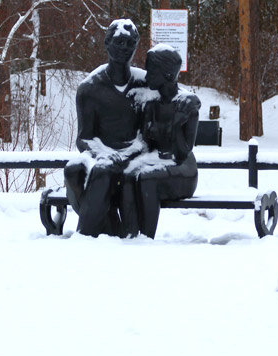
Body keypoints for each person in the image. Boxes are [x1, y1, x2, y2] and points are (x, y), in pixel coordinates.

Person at [63, 19, 146, 236]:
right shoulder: (89, 88)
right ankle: (110, 226)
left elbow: (147, 135)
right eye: (119, 42)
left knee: (103, 172)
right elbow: (85, 138)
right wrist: (104, 154)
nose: (124, 49)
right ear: (107, 44)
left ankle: (85, 236)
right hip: (101, 154)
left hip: (135, 157)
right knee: (73, 172)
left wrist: (125, 155)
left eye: (130, 44)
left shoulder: (144, 84)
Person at [125, 44, 200, 238]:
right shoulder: (151, 104)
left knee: (148, 177)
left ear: (167, 75)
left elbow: (182, 152)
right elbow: (144, 142)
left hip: (183, 168)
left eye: (152, 72)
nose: (147, 77)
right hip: (156, 161)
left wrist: (175, 126)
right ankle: (129, 234)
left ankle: (146, 237)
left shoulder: (186, 105)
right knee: (128, 175)